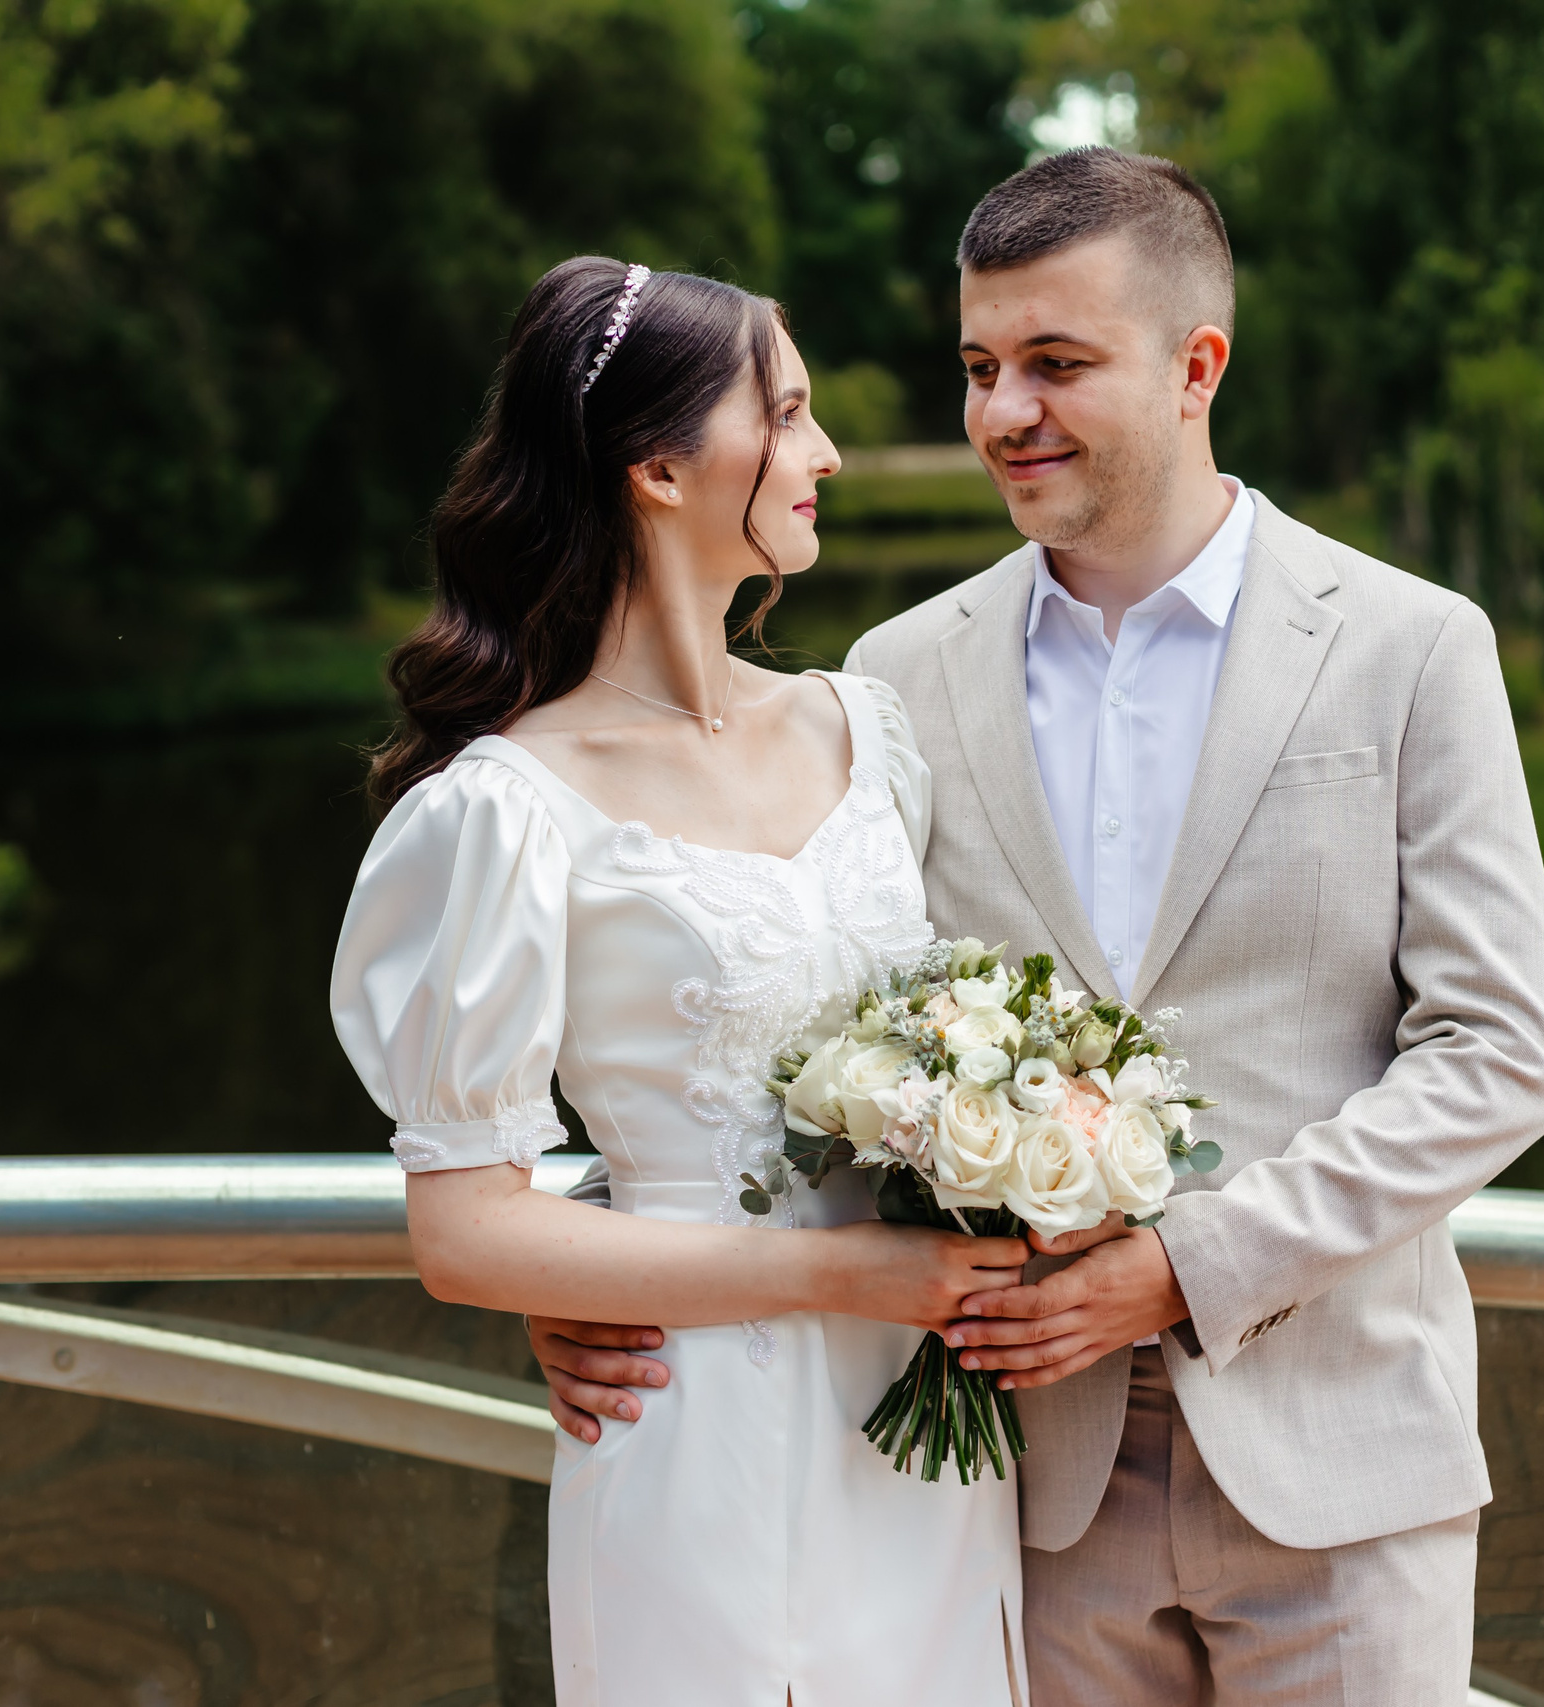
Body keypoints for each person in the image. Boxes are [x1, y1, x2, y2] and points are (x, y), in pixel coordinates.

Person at [530, 148, 1544, 1703]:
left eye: (1057, 365)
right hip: (1008, 1487)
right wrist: (592, 1263)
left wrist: (1188, 1265)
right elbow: (773, 1004)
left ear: (1196, 365)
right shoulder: (893, 679)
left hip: (1345, 1468)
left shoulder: (1411, 647)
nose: (1004, 411)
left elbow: (1500, 1055)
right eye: (981, 366)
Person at [327, 257, 1031, 1707]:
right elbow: (466, 1232)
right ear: (659, 464)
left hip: (923, 1435)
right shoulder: (508, 807)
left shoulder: (868, 730)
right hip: (695, 1425)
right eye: (787, 414)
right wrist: (847, 1273)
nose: (826, 453)